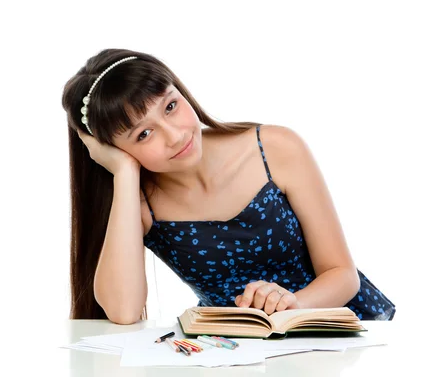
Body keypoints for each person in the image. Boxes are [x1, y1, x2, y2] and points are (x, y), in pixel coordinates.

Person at [61, 49, 396, 325]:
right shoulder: (140, 204)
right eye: (143, 135)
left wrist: (290, 305)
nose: (175, 135)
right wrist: (124, 172)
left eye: (171, 106)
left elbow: (342, 274)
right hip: (239, 352)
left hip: (339, 331)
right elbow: (123, 312)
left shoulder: (275, 148)